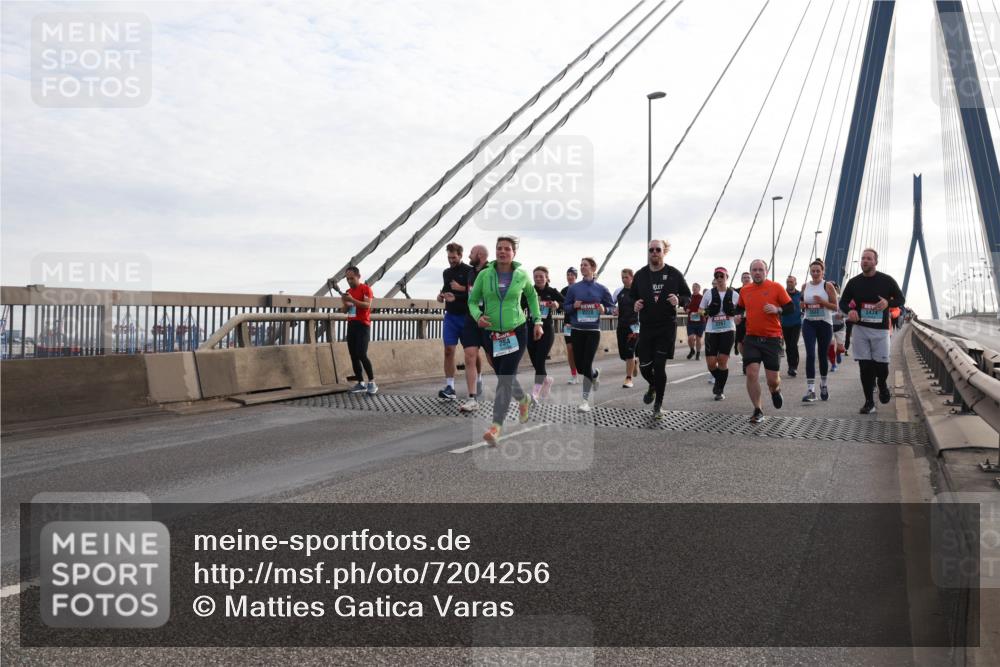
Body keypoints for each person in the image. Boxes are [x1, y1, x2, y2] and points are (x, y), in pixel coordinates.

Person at [468, 235, 544, 445]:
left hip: (516, 332)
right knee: (505, 376)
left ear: (514, 253)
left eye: (507, 249)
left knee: (504, 379)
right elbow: (472, 301)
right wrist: (478, 317)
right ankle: (524, 399)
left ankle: (495, 427)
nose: (502, 252)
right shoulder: (484, 275)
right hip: (491, 334)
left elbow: (531, 296)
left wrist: (537, 321)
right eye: (499, 248)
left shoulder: (521, 275)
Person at [630, 238, 692, 419]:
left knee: (659, 365)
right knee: (644, 367)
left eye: (658, 250)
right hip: (647, 327)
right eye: (651, 250)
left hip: (666, 326)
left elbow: (687, 295)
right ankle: (653, 385)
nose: (654, 253)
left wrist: (679, 300)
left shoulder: (674, 274)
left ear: (664, 251)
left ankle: (658, 404)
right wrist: (635, 303)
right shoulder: (641, 275)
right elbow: (631, 296)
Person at [839, 248, 905, 414]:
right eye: (863, 258)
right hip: (861, 329)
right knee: (865, 367)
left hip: (881, 330)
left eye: (869, 258)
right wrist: (850, 311)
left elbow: (901, 299)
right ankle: (869, 402)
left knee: (881, 368)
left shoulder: (886, 281)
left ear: (876, 262)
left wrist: (888, 303)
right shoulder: (854, 282)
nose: (865, 261)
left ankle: (882, 384)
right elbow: (843, 302)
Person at [735, 259, 792, 424]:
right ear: (750, 272)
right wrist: (738, 316)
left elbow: (790, 308)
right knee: (752, 373)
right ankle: (758, 409)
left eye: (761, 269)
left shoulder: (776, 287)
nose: (757, 272)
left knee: (772, 380)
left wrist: (777, 309)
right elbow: (739, 307)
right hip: (751, 337)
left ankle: (775, 391)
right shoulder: (745, 290)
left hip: (772, 338)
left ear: (766, 271)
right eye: (754, 270)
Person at [564, 257, 616, 412]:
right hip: (577, 330)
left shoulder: (601, 289)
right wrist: (573, 306)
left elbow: (612, 308)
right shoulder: (574, 289)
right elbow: (565, 308)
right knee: (580, 368)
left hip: (593, 331)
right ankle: (594, 374)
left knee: (586, 364)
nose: (582, 267)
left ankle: (584, 401)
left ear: (593, 268)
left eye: (585, 265)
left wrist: (604, 310)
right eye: (581, 265)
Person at [436, 243, 475, 401]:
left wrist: (460, 289)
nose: (451, 260)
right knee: (448, 351)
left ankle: (477, 380)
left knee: (471, 354)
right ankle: (450, 387)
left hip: (466, 317)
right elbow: (445, 289)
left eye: (454, 257)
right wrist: (440, 296)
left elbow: (475, 294)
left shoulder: (469, 271)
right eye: (449, 257)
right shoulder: (446, 272)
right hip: (450, 317)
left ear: (460, 255)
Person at [799, 259, 838, 402]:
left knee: (822, 355)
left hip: (824, 323)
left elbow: (835, 307)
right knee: (810, 355)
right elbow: (801, 304)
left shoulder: (827, 286)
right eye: (813, 271)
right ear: (810, 271)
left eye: (818, 271)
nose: (815, 273)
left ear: (823, 272)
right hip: (809, 323)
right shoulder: (805, 286)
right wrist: (803, 305)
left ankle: (824, 384)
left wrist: (822, 302)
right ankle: (811, 391)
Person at [458, 245, 489, 413]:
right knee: (470, 357)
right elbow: (470, 296)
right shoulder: (470, 273)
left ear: (479, 255)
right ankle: (472, 398)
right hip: (471, 320)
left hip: (488, 320)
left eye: (471, 253)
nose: (469, 256)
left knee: (493, 359)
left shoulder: (492, 271)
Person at [524, 266, 563, 401]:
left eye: (541, 276)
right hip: (530, 329)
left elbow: (565, 303)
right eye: (536, 276)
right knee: (535, 362)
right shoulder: (529, 291)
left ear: (547, 278)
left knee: (540, 360)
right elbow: (518, 305)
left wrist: (557, 304)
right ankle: (546, 380)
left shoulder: (552, 291)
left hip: (546, 330)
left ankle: (535, 393)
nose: (538, 279)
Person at [701, 267, 739, 401]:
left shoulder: (734, 295)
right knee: (711, 363)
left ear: (727, 277)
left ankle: (720, 390)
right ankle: (720, 380)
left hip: (728, 330)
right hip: (712, 330)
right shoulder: (708, 294)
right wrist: (705, 313)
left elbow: (741, 310)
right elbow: (700, 310)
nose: (719, 278)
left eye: (721, 276)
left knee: (722, 361)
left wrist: (738, 316)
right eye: (716, 276)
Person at [343, 266, 377, 395]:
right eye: (347, 279)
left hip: (363, 325)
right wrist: (345, 304)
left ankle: (372, 382)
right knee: (353, 355)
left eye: (352, 278)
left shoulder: (365, 289)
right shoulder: (348, 291)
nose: (349, 281)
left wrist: (352, 300)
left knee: (362, 353)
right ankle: (360, 382)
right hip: (352, 324)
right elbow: (344, 310)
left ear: (358, 277)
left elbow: (367, 305)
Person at [615, 268, 639, 388]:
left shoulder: (639, 291)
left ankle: (628, 379)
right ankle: (634, 362)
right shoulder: (619, 292)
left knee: (629, 351)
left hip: (634, 326)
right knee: (623, 354)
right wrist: (613, 310)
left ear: (632, 278)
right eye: (622, 277)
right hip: (621, 326)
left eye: (626, 277)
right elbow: (610, 304)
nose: (624, 279)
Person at [559, 267, 580, 384]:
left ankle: (587, 371)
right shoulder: (564, 290)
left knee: (580, 350)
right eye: (568, 274)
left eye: (572, 274)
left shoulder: (580, 289)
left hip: (580, 323)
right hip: (567, 323)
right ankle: (574, 375)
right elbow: (561, 305)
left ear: (576, 276)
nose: (570, 276)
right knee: (570, 349)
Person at [781, 275, 802, 377]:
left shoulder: (800, 295)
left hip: (796, 324)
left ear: (795, 283)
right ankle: (790, 366)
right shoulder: (782, 294)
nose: (790, 283)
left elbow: (805, 305)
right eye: (788, 282)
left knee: (793, 344)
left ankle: (794, 367)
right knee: (788, 346)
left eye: (791, 282)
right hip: (784, 324)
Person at [685, 282, 706, 360]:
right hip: (691, 321)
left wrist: (701, 312)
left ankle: (698, 353)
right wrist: (686, 309)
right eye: (693, 287)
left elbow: (706, 308)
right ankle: (692, 350)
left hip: (700, 321)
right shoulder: (689, 297)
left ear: (699, 289)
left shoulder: (702, 297)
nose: (694, 288)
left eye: (696, 287)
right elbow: (685, 305)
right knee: (690, 338)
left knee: (698, 339)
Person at [734, 271, 751, 359]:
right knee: (740, 342)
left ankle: (748, 359)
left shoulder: (755, 289)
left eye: (748, 277)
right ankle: (745, 359)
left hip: (752, 319)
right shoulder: (736, 291)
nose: (746, 279)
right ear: (741, 280)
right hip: (741, 319)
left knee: (750, 342)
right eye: (744, 278)